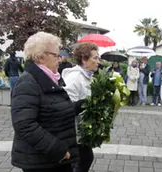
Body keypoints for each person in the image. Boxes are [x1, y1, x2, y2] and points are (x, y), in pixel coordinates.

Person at [10, 32, 80, 172]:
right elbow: (24, 125)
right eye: (56, 55)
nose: (59, 59)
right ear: (41, 57)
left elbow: (53, 110)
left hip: (53, 160)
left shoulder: (48, 79)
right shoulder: (28, 82)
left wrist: (81, 105)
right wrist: (58, 150)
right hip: (43, 162)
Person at [62, 42, 100, 172]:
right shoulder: (74, 78)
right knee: (82, 161)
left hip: (82, 131)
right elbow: (67, 108)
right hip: (75, 133)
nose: (98, 61)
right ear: (84, 59)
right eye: (95, 58)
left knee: (85, 159)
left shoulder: (89, 77)